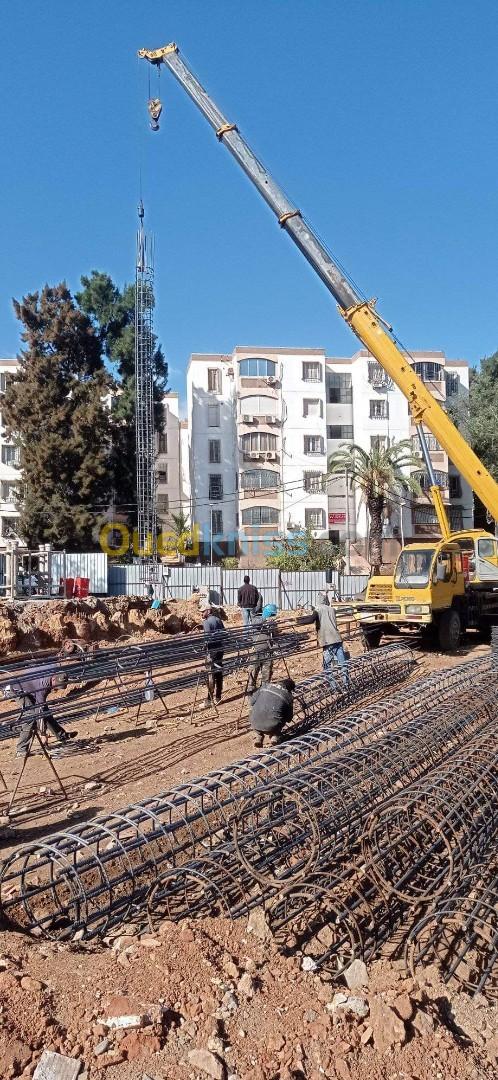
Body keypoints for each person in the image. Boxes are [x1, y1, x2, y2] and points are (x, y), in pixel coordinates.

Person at [10, 669, 76, 758]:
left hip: (29, 689)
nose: (56, 688)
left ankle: (62, 736)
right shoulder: (43, 686)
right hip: (16, 690)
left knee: (45, 711)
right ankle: (21, 750)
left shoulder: (50, 679)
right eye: (57, 686)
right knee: (31, 715)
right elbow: (39, 712)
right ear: (53, 679)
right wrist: (43, 734)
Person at [300, 591, 348, 685]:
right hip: (337, 639)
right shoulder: (332, 609)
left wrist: (297, 621)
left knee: (327, 666)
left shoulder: (318, 609)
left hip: (327, 641)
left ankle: (333, 686)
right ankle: (346, 684)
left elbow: (310, 619)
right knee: (343, 664)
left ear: (318, 600)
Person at [250, 677, 296, 748]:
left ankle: (258, 736)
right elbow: (289, 718)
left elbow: (251, 702)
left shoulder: (265, 687)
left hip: (254, 722)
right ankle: (275, 736)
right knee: (280, 715)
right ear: (290, 689)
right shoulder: (288, 696)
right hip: (273, 726)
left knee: (255, 711)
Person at [248, 603, 278, 691]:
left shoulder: (272, 622)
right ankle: (251, 691)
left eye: (274, 615)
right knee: (253, 673)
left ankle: (264, 690)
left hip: (268, 652)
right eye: (271, 614)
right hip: (256, 652)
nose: (273, 616)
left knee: (267, 674)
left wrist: (273, 625)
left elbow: (275, 635)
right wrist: (265, 619)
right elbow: (255, 624)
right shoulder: (256, 618)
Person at [201, 604, 225, 707]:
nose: (201, 613)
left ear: (208, 611)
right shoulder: (218, 620)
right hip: (220, 649)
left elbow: (207, 638)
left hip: (212, 651)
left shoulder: (206, 622)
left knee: (211, 675)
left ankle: (209, 700)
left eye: (203, 611)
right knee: (219, 672)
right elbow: (224, 633)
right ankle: (218, 697)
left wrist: (204, 646)